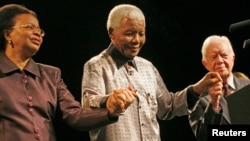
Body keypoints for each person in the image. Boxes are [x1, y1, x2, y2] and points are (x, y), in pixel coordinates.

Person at [81, 4, 222, 141]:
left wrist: (199, 88)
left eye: (141, 33)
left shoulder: (148, 67)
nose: (137, 40)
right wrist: (109, 101)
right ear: (111, 33)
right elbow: (87, 108)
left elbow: (168, 107)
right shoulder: (96, 66)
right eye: (129, 33)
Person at [0, 4, 137, 141]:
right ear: (7, 34)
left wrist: (111, 111)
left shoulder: (51, 75)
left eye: (39, 30)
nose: (37, 33)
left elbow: (74, 115)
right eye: (29, 27)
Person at [189, 35, 250, 141]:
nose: (220, 60)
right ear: (205, 63)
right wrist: (213, 104)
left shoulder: (248, 86)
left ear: (233, 58)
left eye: (224, 55)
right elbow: (203, 137)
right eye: (214, 57)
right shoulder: (196, 98)